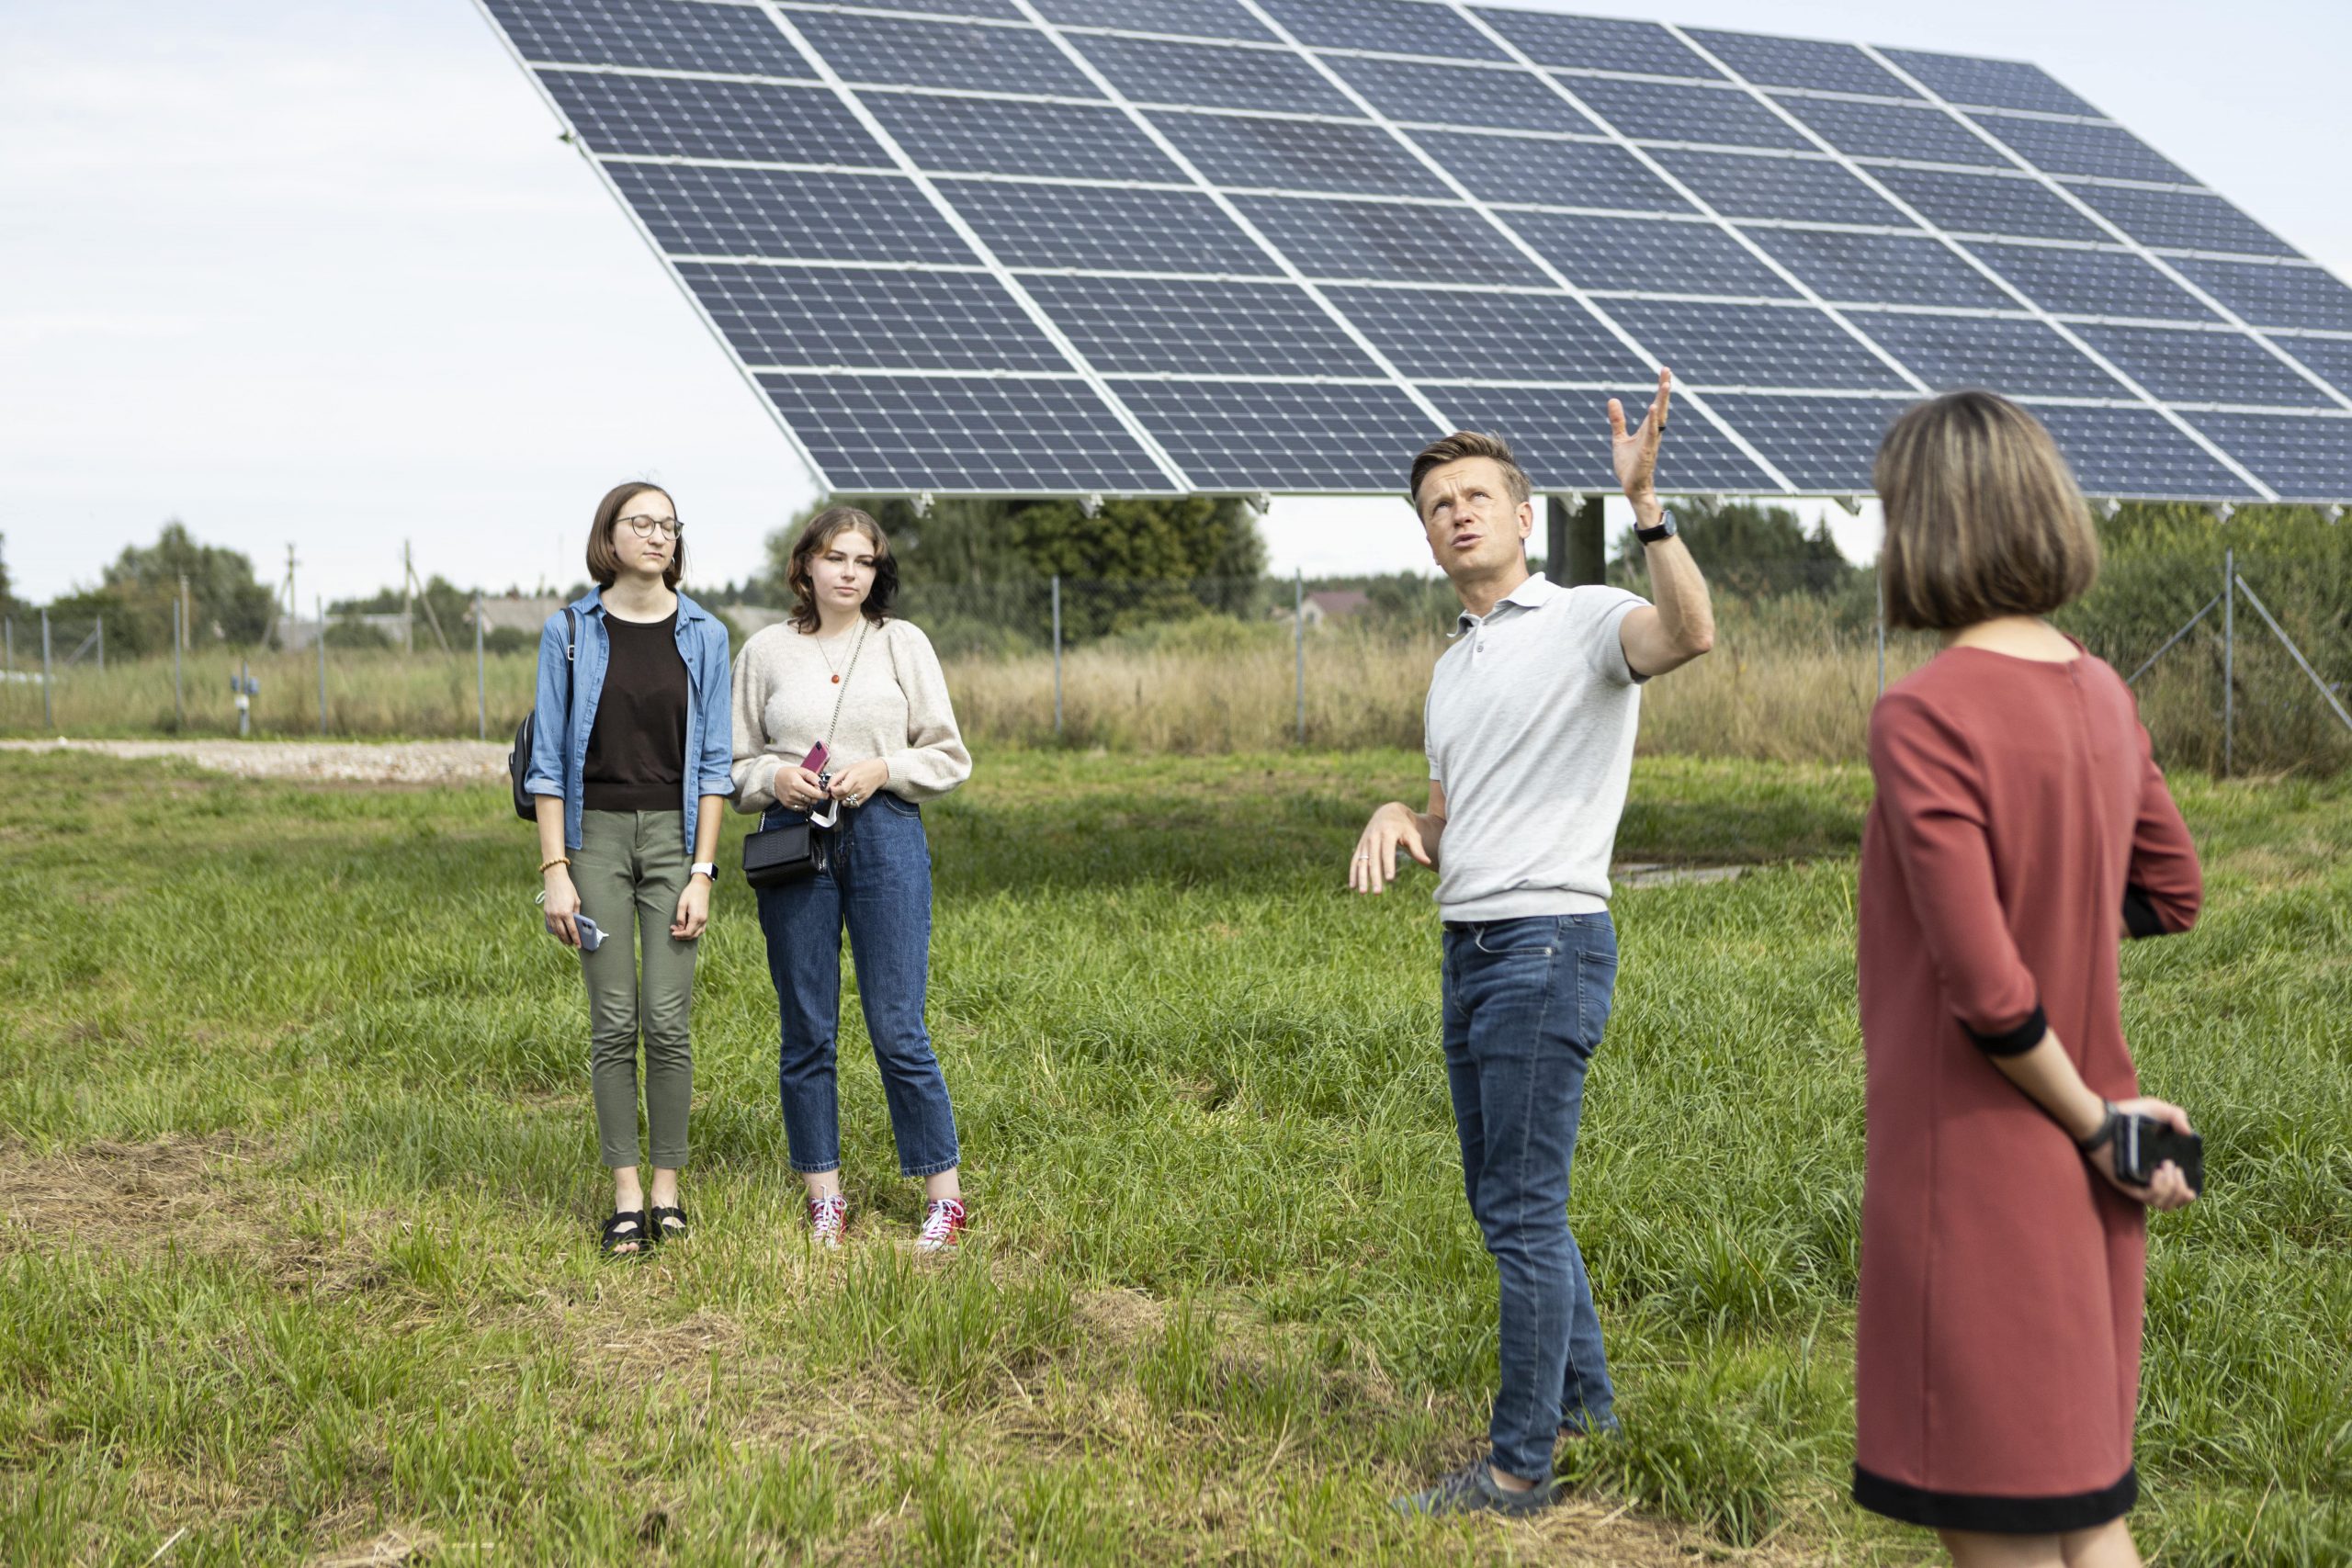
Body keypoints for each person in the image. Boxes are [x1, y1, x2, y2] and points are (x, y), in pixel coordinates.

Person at [1853, 390, 2201, 1567]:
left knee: (1998, 1530)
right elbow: (2171, 891)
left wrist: (2096, 1124)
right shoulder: (2102, 691)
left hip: (1982, 1172)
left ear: (1927, 529)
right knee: (2090, 1517)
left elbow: (1988, 991)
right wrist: (2106, 1117)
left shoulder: (1922, 712)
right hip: (2097, 1155)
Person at [1359, 369, 1716, 1517]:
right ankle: (1589, 1415)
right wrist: (1397, 816)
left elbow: (1692, 633)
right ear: (1427, 538)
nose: (1455, 513)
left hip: (1547, 945)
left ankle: (1519, 1468)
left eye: (1475, 496)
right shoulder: (1450, 667)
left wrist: (1647, 505)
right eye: (1435, 506)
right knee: (1509, 1202)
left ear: (1522, 517)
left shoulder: (1584, 619)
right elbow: (1444, 811)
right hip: (1468, 947)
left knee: (1518, 1208)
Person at [730, 506, 974, 1253]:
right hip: (794, 840)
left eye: (863, 561)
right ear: (805, 564)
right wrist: (777, 777)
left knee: (898, 1024)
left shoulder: (902, 643)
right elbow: (731, 769)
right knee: (807, 1027)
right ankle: (824, 1198)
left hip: (885, 835)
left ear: (877, 572)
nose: (848, 572)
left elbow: (949, 754)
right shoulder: (765, 650)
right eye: (835, 557)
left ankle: (943, 1198)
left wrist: (884, 768)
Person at [525, 481, 735, 1258]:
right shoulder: (569, 632)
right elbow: (547, 762)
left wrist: (704, 871)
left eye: (668, 524)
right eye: (639, 522)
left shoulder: (707, 634)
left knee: (667, 1021)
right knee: (613, 1021)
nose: (656, 535)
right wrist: (557, 867)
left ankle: (668, 1191)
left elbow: (715, 765)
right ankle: (624, 1195)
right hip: (597, 840)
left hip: (676, 843)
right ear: (608, 536)